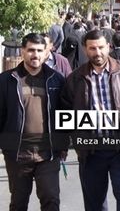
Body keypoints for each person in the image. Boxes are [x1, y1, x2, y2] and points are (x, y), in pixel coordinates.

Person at [60, 29, 120, 211]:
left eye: (101, 47)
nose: (97, 52)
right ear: (85, 49)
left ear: (108, 47)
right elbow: (65, 110)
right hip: (91, 151)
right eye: (92, 48)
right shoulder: (75, 79)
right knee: (95, 202)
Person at [0, 33, 68, 211]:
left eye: (39, 50)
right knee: (18, 202)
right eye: (30, 50)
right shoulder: (6, 80)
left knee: (51, 200)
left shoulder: (57, 79)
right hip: (17, 154)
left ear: (46, 52)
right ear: (23, 51)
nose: (35, 55)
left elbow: (64, 114)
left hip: (48, 153)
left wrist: (63, 145)